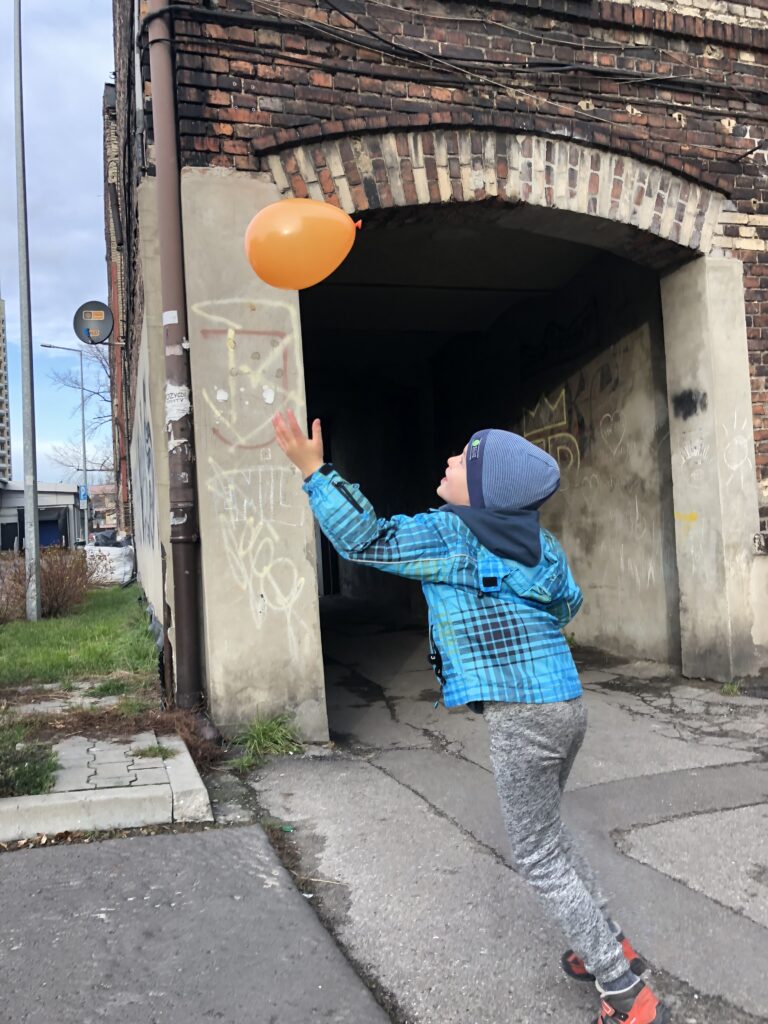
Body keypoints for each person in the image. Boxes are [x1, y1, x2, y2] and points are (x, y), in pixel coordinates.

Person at [272, 409, 668, 1024]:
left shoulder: (451, 534)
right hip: (565, 704)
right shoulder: (543, 544)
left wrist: (314, 471)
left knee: (537, 855)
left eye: (463, 460)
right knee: (551, 839)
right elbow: (568, 602)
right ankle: (607, 945)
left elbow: (364, 538)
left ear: (482, 491)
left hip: (523, 718)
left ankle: (626, 993)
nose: (450, 461)